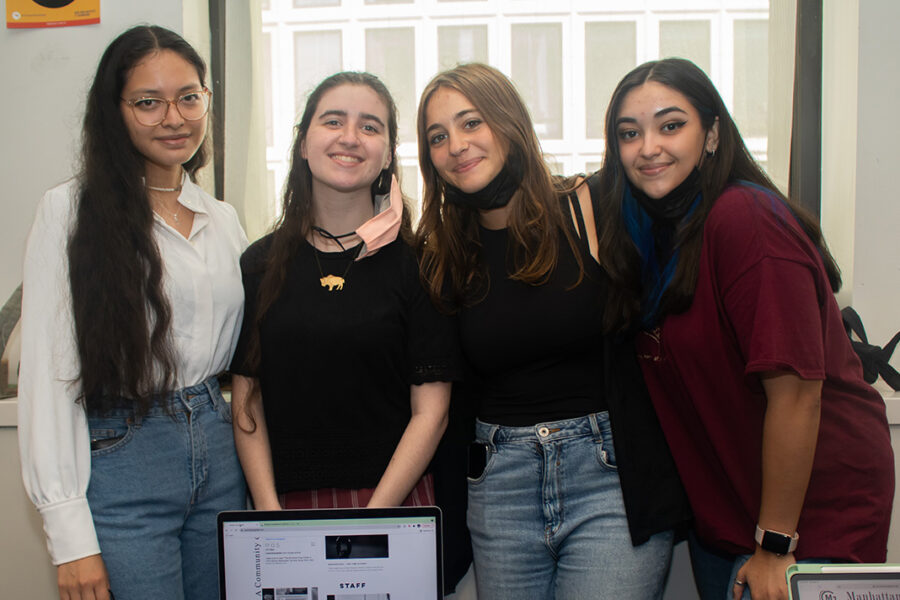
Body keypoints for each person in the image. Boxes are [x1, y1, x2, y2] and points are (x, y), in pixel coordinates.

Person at [593, 57, 894, 600]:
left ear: (712, 134)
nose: (648, 148)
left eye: (671, 125)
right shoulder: (656, 235)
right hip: (730, 518)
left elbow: (798, 395)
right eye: (628, 134)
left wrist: (775, 544)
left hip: (808, 522)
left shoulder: (745, 220)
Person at [415, 63, 689, 600]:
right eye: (437, 137)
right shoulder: (444, 255)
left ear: (507, 122)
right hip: (500, 485)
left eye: (471, 123)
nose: (456, 145)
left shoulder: (590, 204)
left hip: (609, 477)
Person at [19, 25, 248, 600]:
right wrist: (70, 538)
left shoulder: (222, 219)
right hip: (125, 455)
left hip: (221, 456)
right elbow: (48, 375)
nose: (174, 117)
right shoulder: (69, 211)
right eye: (148, 102)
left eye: (189, 96)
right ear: (115, 111)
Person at [229, 72, 457, 512]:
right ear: (302, 143)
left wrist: (373, 518)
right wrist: (269, 512)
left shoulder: (420, 265)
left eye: (370, 127)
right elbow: (247, 403)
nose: (350, 138)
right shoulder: (259, 262)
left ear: (389, 153)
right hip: (282, 504)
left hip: (394, 502)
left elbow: (431, 414)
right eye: (333, 121)